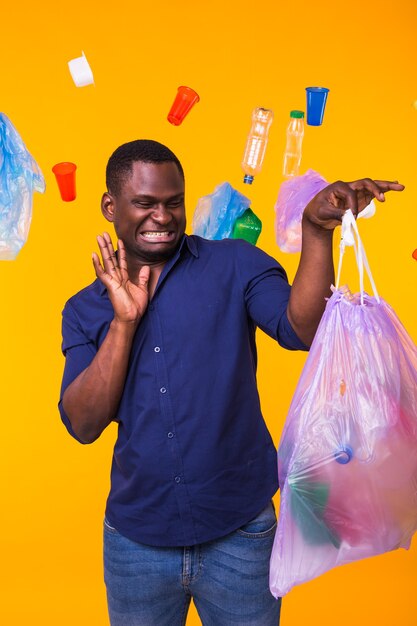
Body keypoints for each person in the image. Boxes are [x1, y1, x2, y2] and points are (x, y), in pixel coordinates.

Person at [59, 139, 404, 626]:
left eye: (173, 202)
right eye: (145, 203)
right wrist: (123, 323)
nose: (162, 216)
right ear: (110, 206)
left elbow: (300, 330)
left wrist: (315, 230)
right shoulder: (84, 310)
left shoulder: (236, 264)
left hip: (240, 536)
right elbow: (83, 423)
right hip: (136, 545)